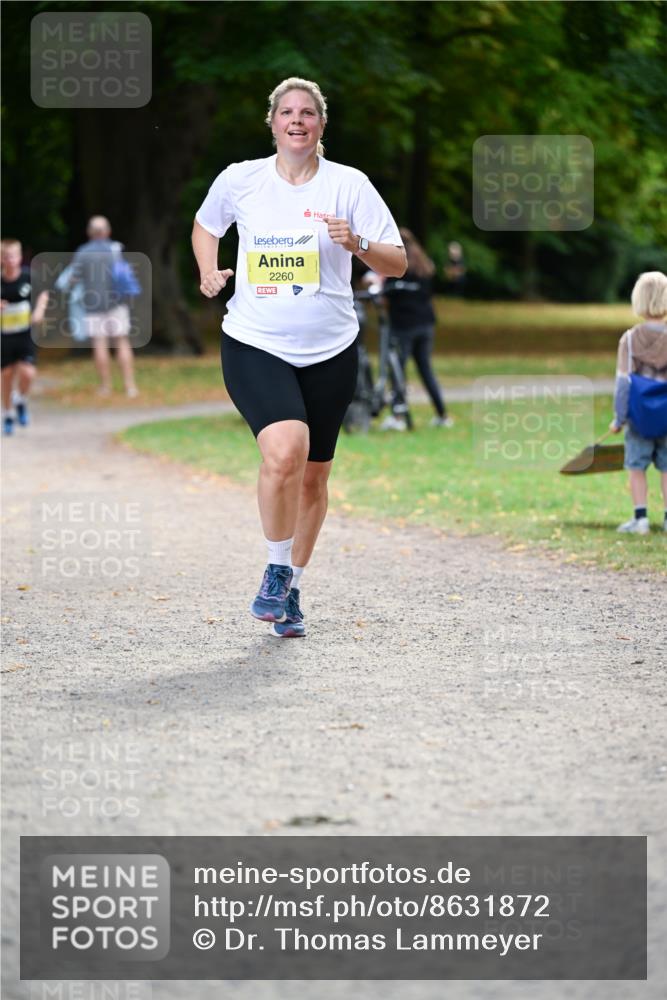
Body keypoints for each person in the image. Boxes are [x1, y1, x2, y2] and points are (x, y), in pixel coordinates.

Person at [192, 77, 406, 637]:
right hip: (254, 341)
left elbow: (399, 262)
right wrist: (207, 269)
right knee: (285, 450)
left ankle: (291, 587)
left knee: (313, 478)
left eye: (307, 112)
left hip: (332, 349)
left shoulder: (349, 185)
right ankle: (273, 568)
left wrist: (357, 243)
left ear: (320, 124)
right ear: (272, 122)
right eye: (286, 111)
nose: (296, 120)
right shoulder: (241, 179)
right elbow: (205, 226)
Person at [372, 227, 451, 431]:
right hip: (425, 324)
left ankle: (398, 416)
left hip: (404, 325)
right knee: (425, 370)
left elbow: (386, 295)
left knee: (398, 370)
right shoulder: (424, 264)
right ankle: (442, 414)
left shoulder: (397, 264)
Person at [610, 271, 667, 534]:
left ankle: (641, 518)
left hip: (639, 417)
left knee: (636, 466)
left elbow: (623, 384)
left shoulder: (630, 340)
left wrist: (619, 418)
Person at [70, 216, 139, 397]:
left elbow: (74, 278)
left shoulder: (83, 252)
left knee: (100, 343)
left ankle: (106, 387)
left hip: (93, 305)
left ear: (89, 233)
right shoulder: (116, 249)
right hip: (117, 303)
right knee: (122, 341)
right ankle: (130, 386)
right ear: (107, 232)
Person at [1, 238, 48, 435]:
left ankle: (20, 399)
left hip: (24, 335)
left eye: (14, 256)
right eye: (6, 256)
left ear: (20, 257)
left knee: (28, 373)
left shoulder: (29, 277)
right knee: (7, 375)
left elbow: (43, 294)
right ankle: (8, 414)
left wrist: (39, 311)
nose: (11, 260)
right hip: (4, 337)